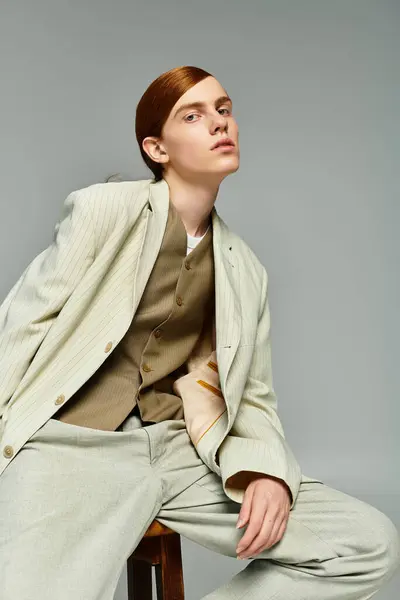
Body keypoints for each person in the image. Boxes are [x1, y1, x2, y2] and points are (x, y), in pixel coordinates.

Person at [0, 65, 399, 600]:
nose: (219, 123)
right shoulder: (105, 210)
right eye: (194, 115)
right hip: (73, 446)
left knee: (364, 545)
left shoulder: (244, 268)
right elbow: (24, 324)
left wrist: (268, 474)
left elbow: (252, 394)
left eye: (224, 109)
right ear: (157, 148)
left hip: (181, 453)